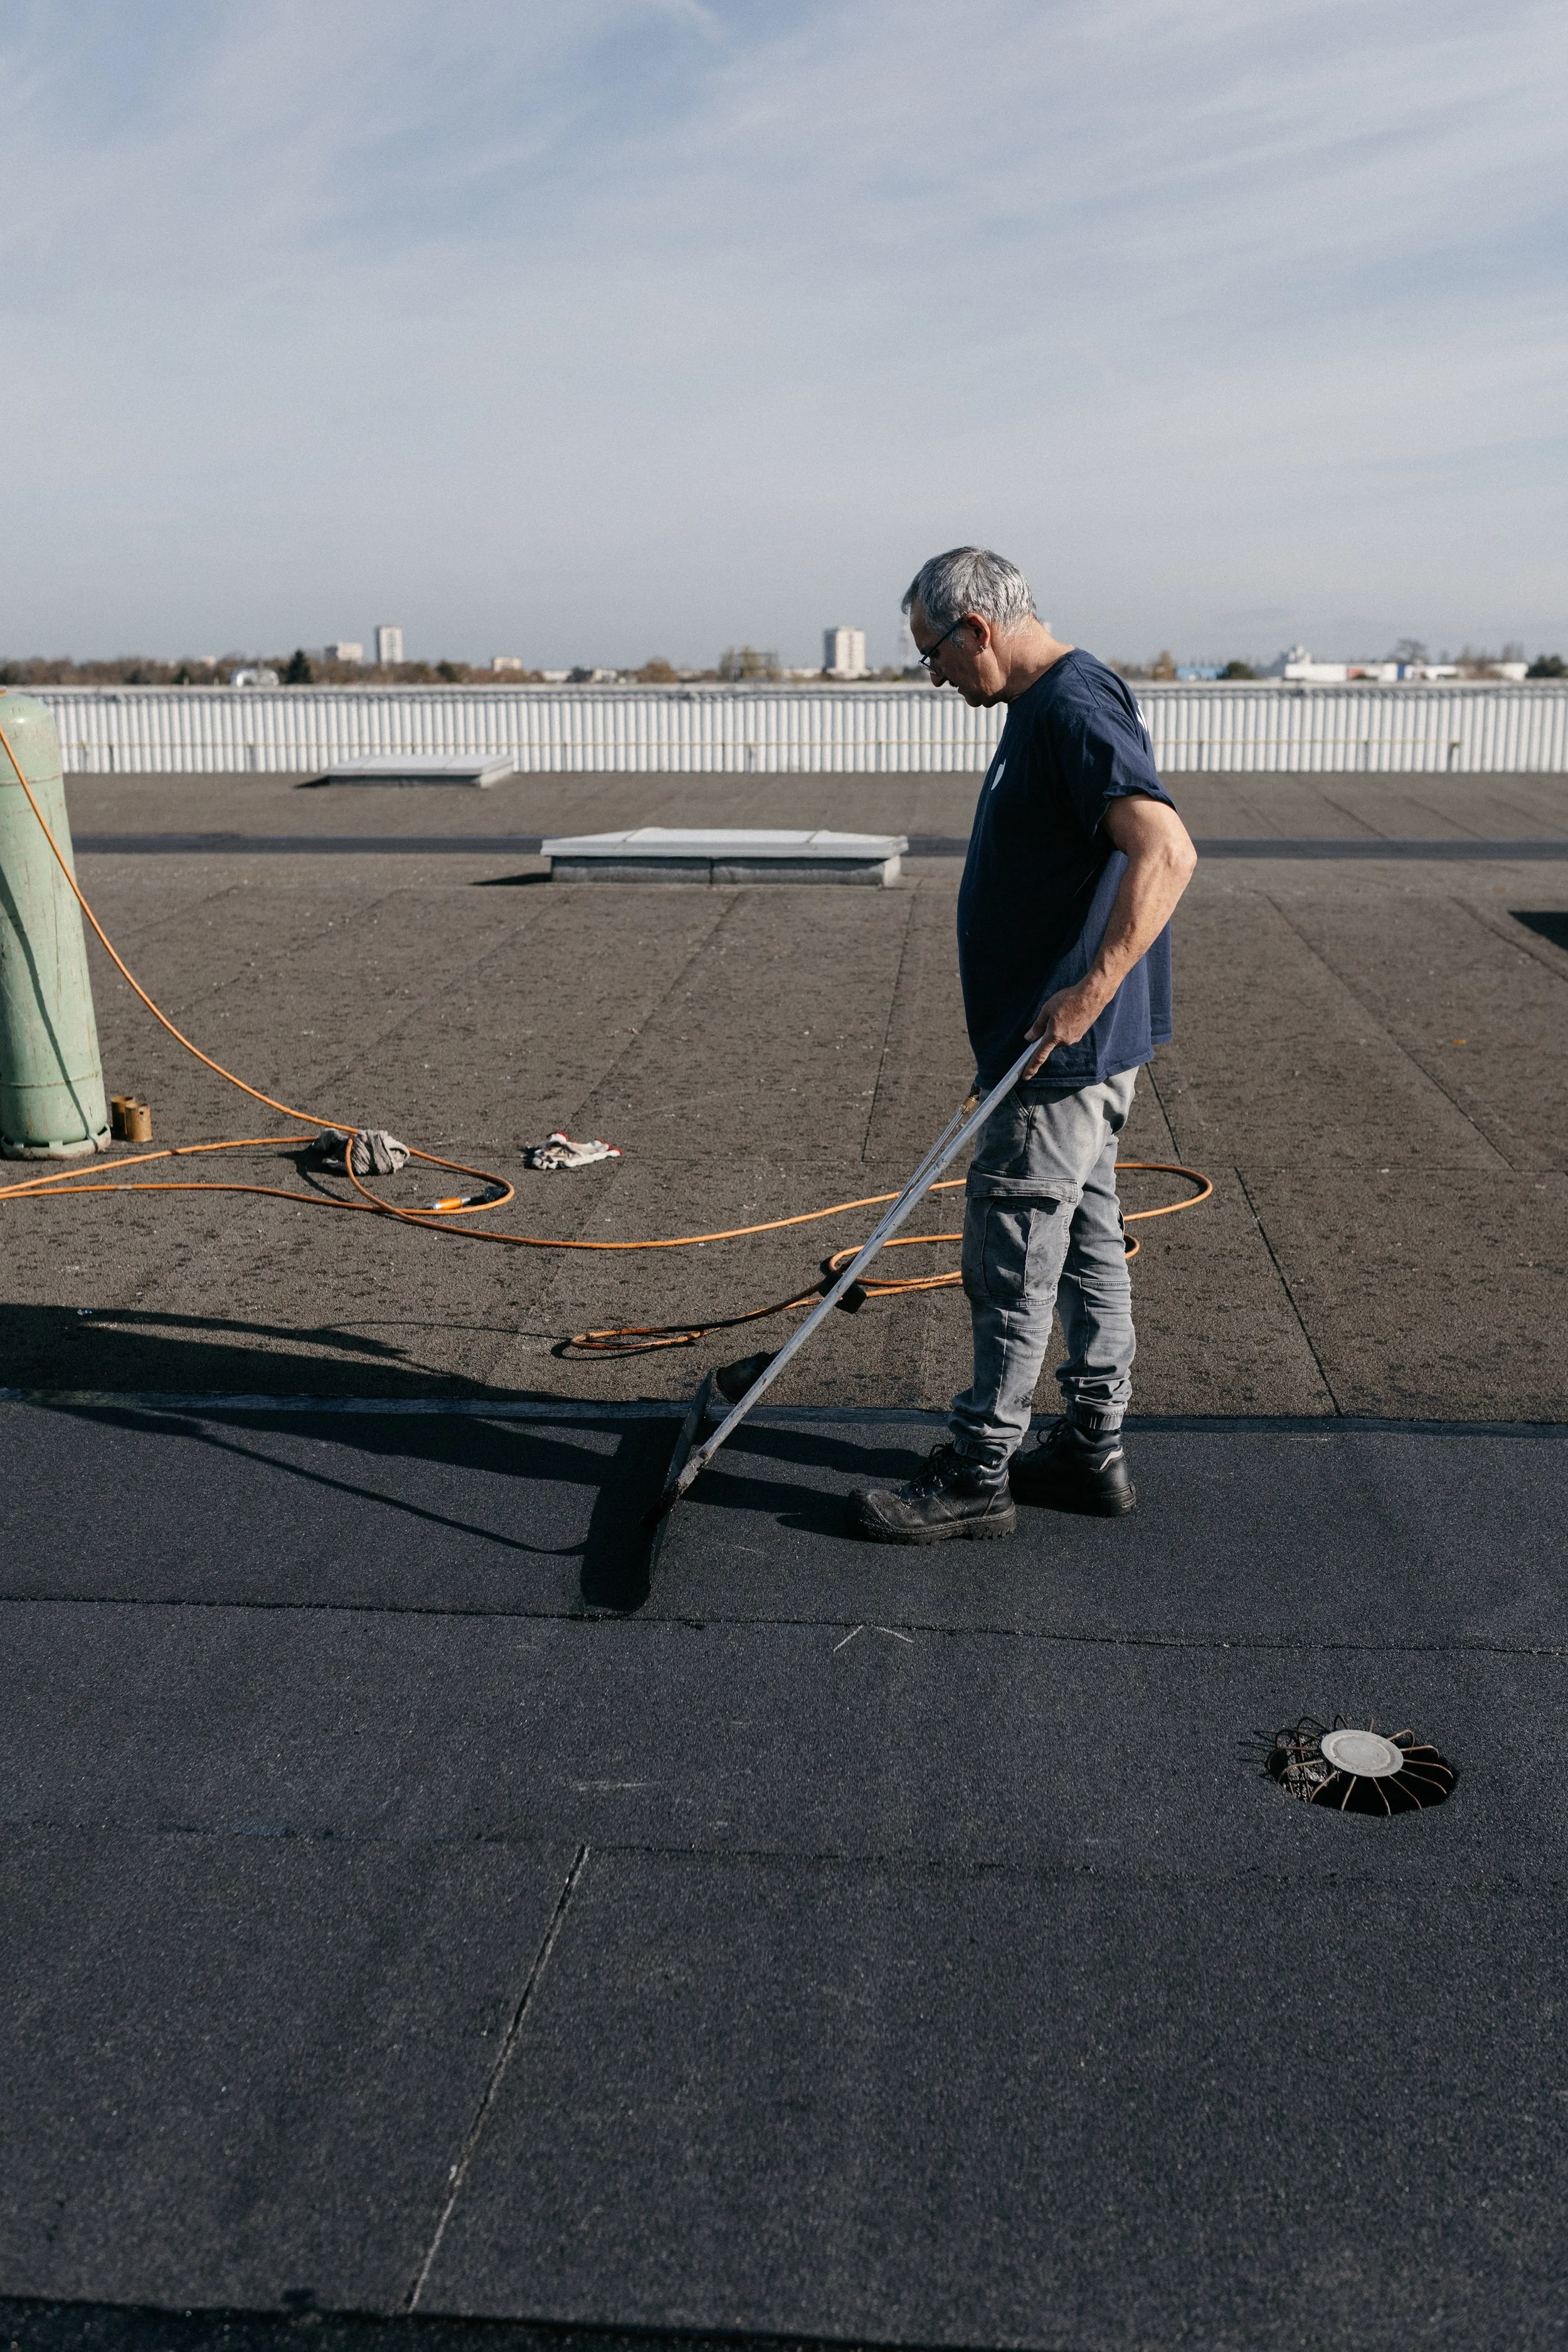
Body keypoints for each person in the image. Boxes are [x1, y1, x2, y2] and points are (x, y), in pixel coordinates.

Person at [846, 547, 1196, 1544]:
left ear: (979, 630)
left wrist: (1087, 993)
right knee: (1087, 1241)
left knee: (1012, 1254)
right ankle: (1090, 1448)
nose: (934, 675)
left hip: (1059, 1058)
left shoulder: (1074, 705)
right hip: (1068, 1052)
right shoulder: (1041, 706)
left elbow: (1166, 849)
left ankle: (979, 1470)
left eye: (932, 654)